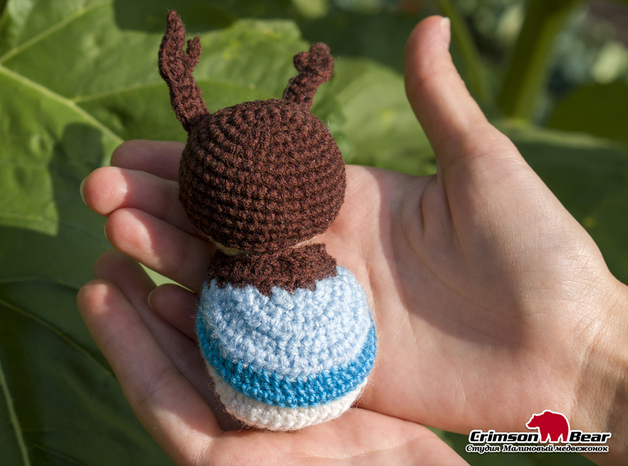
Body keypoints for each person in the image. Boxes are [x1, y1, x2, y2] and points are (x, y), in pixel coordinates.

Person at [77, 16, 627, 465]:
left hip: (282, 353)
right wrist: (600, 373)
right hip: (339, 354)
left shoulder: (228, 292)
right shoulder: (337, 286)